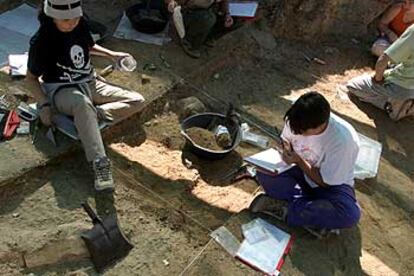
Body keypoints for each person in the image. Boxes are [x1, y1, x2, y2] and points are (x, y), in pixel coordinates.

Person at [25, 0, 145, 191]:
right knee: (81, 103)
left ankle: (89, 119)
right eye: (65, 20)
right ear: (51, 16)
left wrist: (112, 55)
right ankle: (100, 163)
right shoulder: (42, 42)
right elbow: (31, 79)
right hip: (62, 89)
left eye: (75, 17)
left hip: (90, 81)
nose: (71, 22)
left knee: (137, 100)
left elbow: (88, 46)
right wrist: (44, 105)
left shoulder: (80, 24)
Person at [249, 92, 361, 235]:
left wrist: (299, 161)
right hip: (299, 172)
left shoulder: (343, 141)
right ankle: (311, 214)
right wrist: (287, 148)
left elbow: (326, 183)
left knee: (349, 214)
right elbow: (286, 138)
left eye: (302, 131)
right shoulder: (297, 117)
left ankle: (289, 209)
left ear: (320, 126)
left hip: (330, 187)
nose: (298, 133)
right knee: (263, 170)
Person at [347, 24, 414, 121]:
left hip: (403, 86)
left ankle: (391, 106)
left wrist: (377, 79)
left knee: (353, 86)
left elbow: (383, 59)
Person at [165, 0, 234, 58]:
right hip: (187, 13)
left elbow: (224, 2)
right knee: (208, 18)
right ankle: (188, 41)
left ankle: (206, 38)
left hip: (207, 10)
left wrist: (227, 14)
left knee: (237, 20)